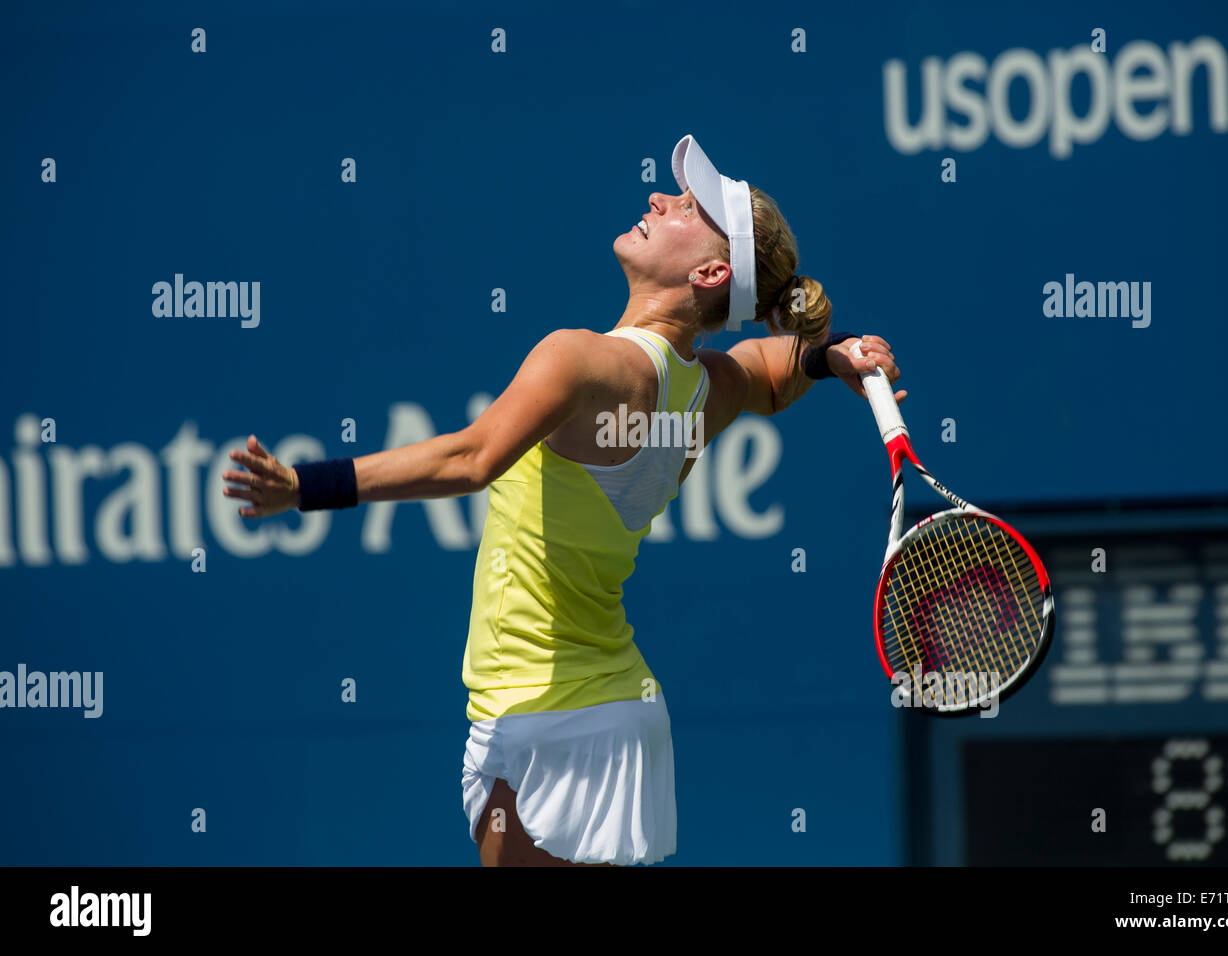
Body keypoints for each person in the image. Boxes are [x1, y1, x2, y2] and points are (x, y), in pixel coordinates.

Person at [221, 135, 904, 866]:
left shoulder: (582, 359)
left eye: (686, 206)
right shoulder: (704, 390)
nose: (659, 198)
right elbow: (778, 372)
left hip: (541, 717)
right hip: (615, 713)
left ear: (710, 270)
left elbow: (471, 458)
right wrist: (836, 354)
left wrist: (306, 487)